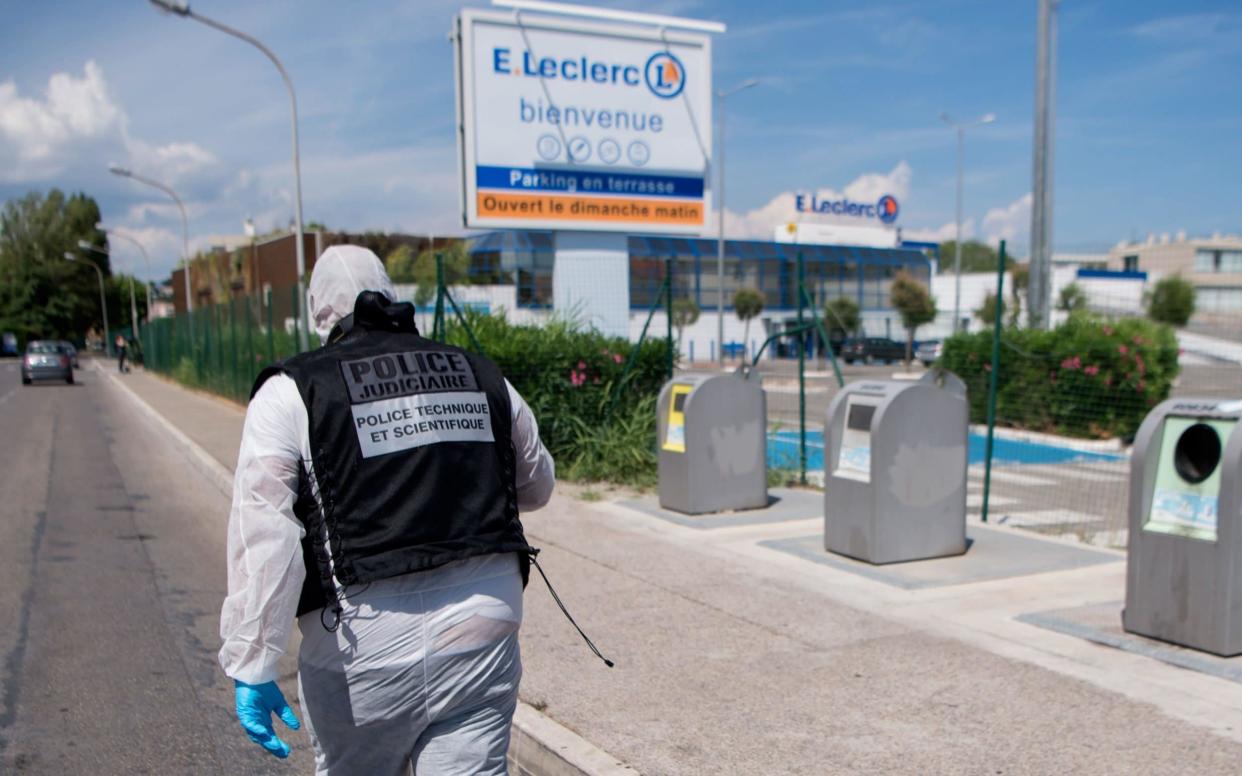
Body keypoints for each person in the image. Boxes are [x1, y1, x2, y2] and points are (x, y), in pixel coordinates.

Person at [219, 245, 555, 774]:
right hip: (483, 630)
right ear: (392, 294)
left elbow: (264, 535)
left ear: (316, 312)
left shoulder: (291, 392)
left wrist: (252, 658)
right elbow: (536, 486)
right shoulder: (482, 373)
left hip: (361, 655)